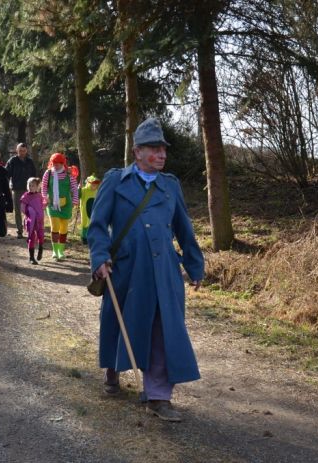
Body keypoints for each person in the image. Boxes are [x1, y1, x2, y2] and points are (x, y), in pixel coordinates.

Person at [87, 117, 204, 423]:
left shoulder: (170, 185)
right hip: (125, 269)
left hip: (165, 270)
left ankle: (158, 397)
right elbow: (98, 226)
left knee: (163, 328)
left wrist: (194, 265)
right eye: (154, 148)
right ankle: (113, 370)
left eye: (163, 148)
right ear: (137, 151)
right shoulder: (115, 181)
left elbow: (184, 228)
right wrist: (99, 257)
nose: (162, 154)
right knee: (119, 321)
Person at [40, 153, 79, 260]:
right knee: (55, 226)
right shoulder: (48, 174)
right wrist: (45, 197)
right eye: (54, 163)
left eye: (58, 164)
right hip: (52, 205)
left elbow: (74, 188)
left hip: (66, 205)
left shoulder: (68, 174)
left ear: (63, 163)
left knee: (64, 228)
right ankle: (54, 250)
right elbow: (43, 187)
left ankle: (61, 251)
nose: (56, 166)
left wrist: (75, 199)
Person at [5, 142, 37, 239]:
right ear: (17, 151)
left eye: (23, 151)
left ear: (26, 150)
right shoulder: (12, 161)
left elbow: (34, 175)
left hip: (29, 190)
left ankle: (30, 229)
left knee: (30, 210)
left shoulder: (30, 162)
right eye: (20, 151)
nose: (22, 152)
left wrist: (36, 189)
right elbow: (6, 175)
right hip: (17, 189)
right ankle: (19, 231)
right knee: (18, 211)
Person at [20, 177, 44, 265]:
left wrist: (47, 202)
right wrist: (29, 213)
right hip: (31, 221)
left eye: (33, 185)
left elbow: (42, 206)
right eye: (29, 185)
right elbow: (22, 208)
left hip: (40, 221)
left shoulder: (39, 195)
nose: (31, 187)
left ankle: (41, 249)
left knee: (41, 236)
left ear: (37, 186)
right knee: (32, 238)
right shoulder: (25, 196)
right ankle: (31, 257)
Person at [79, 175, 101, 245]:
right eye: (93, 184)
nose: (94, 186)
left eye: (96, 184)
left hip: (94, 210)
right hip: (85, 210)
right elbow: (79, 195)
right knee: (85, 223)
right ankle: (84, 238)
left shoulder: (97, 191)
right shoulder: (84, 190)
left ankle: (92, 237)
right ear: (89, 183)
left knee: (92, 223)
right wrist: (79, 189)